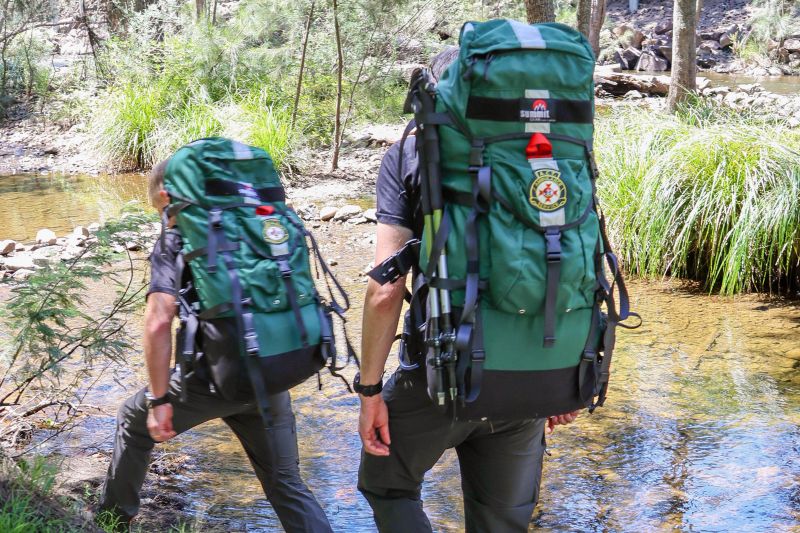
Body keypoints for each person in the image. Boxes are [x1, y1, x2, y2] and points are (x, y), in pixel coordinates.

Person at [356, 49, 580, 532]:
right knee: (502, 521)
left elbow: (386, 288)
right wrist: (564, 377)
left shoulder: (411, 153)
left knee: (388, 485)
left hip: (439, 378)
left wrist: (369, 390)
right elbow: (589, 270)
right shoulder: (550, 153)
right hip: (528, 379)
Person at [97, 159, 332, 533]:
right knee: (286, 484)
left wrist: (160, 401)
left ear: (166, 196)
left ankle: (110, 524)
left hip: (212, 379)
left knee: (132, 418)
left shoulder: (178, 238)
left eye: (160, 210)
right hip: (271, 373)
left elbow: (158, 322)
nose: (163, 218)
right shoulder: (256, 228)